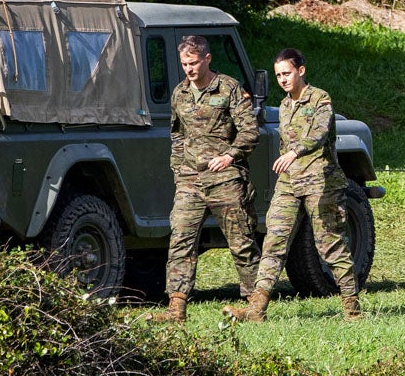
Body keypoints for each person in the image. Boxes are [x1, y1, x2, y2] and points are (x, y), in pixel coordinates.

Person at [224, 48, 362, 322]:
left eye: (286, 73)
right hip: (290, 183)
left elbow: (320, 133)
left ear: (301, 70)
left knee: (329, 245)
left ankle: (352, 310)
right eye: (278, 75)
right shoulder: (285, 105)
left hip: (321, 182)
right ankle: (256, 309)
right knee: (274, 241)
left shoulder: (320, 99)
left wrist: (294, 152)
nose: (282, 80)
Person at [147, 35, 261, 323]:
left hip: (225, 179)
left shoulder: (229, 88)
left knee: (241, 241)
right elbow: (176, 134)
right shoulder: (180, 93)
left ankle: (255, 305)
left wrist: (230, 156)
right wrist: (178, 170)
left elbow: (250, 131)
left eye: (194, 62)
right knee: (181, 240)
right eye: (185, 64)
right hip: (190, 181)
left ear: (207, 59)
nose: (189, 69)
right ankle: (176, 308)